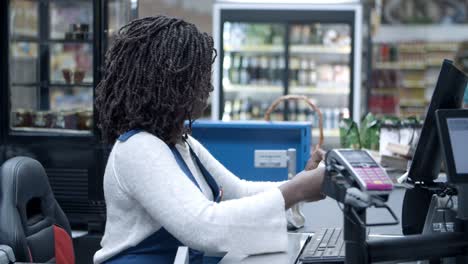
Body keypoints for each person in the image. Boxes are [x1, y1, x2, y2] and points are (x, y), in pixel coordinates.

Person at [93, 16, 326, 264]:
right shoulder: (138, 148)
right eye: (201, 78)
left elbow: (239, 191)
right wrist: (298, 188)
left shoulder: (180, 143)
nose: (210, 89)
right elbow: (204, 226)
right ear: (172, 84)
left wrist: (303, 184)